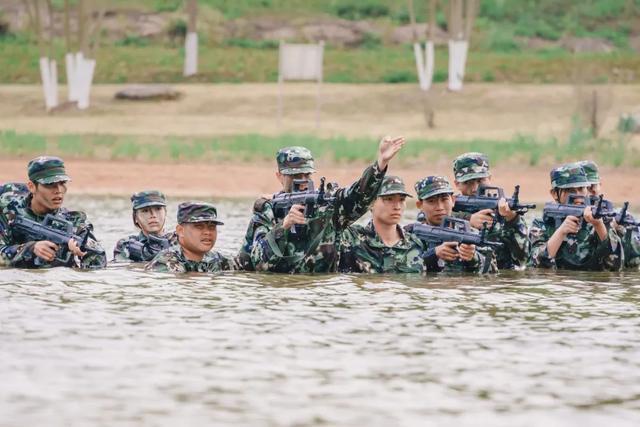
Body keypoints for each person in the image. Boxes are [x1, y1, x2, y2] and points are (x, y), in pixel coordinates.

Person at [250, 136, 405, 273]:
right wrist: (283, 227)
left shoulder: (327, 205)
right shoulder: (268, 209)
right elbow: (258, 263)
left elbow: (359, 195)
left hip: (321, 293)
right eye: (295, 176)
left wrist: (381, 164)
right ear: (279, 176)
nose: (303, 181)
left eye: (307, 175)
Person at [0, 156, 106, 269]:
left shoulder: (74, 222)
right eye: (50, 185)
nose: (59, 190)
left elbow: (99, 261)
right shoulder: (8, 209)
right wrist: (30, 249)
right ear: (31, 187)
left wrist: (84, 254)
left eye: (62, 183)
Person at [528, 163, 623, 271]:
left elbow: (616, 266)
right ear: (554, 193)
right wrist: (561, 232)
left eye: (581, 189)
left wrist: (599, 225)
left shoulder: (601, 220)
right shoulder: (542, 224)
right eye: (570, 190)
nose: (578, 196)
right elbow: (538, 266)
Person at [451, 152, 529, 269]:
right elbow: (429, 219)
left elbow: (523, 259)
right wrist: (468, 219)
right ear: (457, 184)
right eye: (468, 182)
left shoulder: (504, 208)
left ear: (489, 178)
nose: (475, 188)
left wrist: (512, 220)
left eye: (480, 181)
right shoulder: (450, 206)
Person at [338, 176, 428, 273]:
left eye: (401, 200)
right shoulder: (351, 239)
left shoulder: (417, 244)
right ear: (371, 203)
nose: (397, 207)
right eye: (389, 199)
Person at [407, 175, 496, 273]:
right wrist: (432, 255)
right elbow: (400, 270)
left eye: (444, 200)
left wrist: (473, 257)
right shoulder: (410, 236)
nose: (440, 207)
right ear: (420, 205)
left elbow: (492, 271)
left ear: (453, 201)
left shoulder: (471, 234)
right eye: (431, 201)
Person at [146, 201, 240, 273]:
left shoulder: (217, 258)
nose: (207, 232)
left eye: (212, 227)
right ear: (180, 231)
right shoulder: (165, 262)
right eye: (199, 227)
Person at [579, 159, 639, 269]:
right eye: (583, 188)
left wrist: (616, 229)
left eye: (593, 186)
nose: (589, 191)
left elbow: (633, 263)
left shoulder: (612, 214)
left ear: (600, 184)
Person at [113, 190, 176, 262]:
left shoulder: (179, 241)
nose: (153, 215)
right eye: (145, 211)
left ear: (165, 213)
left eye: (158, 209)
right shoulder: (126, 245)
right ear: (135, 218)